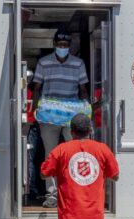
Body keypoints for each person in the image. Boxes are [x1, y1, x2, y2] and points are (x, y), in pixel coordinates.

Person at [32, 30, 89, 208]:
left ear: (69, 45)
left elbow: (83, 89)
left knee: (76, 153)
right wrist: (36, 110)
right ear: (54, 44)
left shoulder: (78, 64)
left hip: (71, 115)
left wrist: (86, 110)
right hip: (49, 116)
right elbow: (37, 88)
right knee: (51, 155)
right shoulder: (44, 63)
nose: (62, 48)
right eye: (59, 45)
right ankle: (53, 194)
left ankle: (75, 193)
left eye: (65, 45)